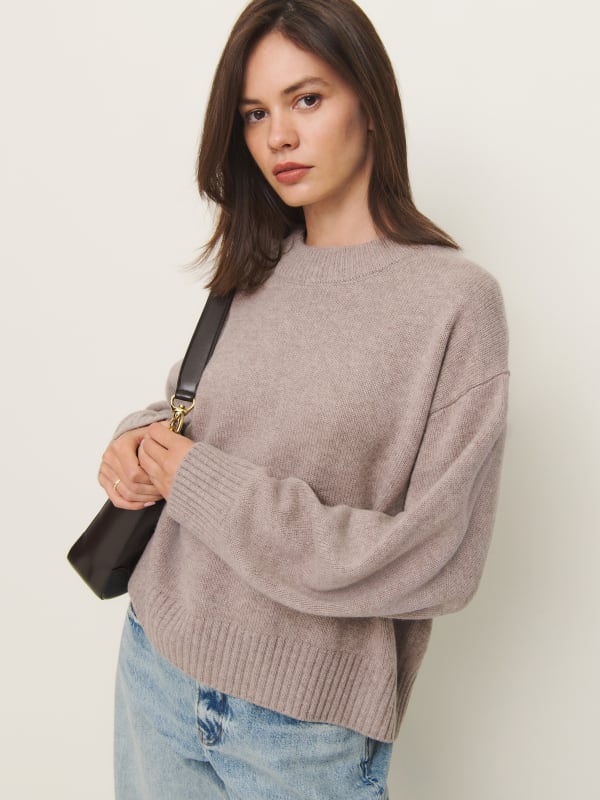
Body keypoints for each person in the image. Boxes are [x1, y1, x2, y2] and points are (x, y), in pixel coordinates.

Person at [98, 1, 510, 797]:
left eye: (307, 99)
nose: (277, 137)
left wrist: (196, 480)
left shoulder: (455, 302)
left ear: (370, 102)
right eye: (255, 113)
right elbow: (198, 412)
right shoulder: (255, 266)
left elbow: (439, 559)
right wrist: (137, 442)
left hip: (301, 729)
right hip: (155, 665)